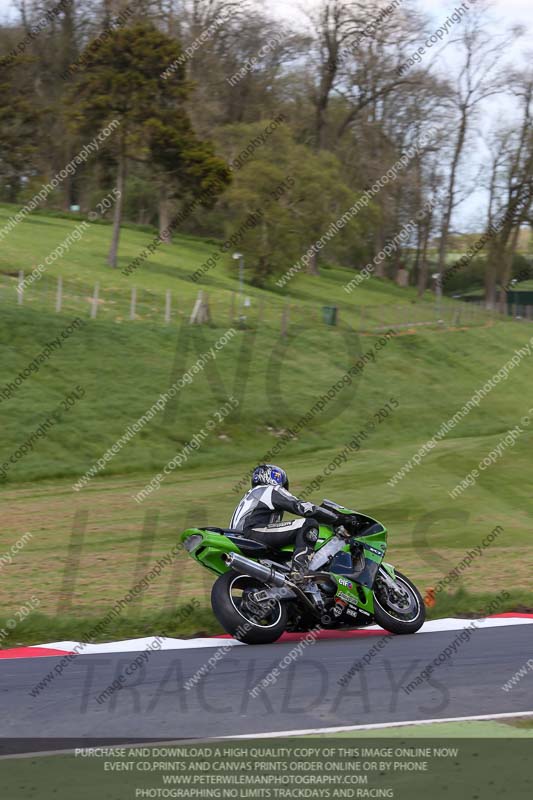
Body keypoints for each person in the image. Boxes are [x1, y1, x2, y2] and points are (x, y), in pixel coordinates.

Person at [229, 464, 344, 579]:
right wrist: (336, 518)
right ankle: (299, 572)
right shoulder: (269, 489)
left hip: (240, 537)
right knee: (308, 524)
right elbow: (302, 507)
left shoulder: (252, 495)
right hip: (253, 533)